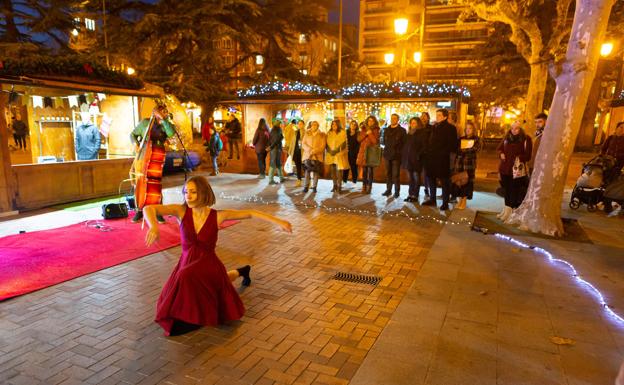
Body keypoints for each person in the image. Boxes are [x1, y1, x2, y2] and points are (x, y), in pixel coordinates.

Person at [143, 176, 292, 336]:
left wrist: (280, 221)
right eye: (186, 192)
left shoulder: (217, 216)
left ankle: (191, 318)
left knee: (188, 276)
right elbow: (149, 209)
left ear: (203, 192)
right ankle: (242, 271)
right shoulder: (181, 211)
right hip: (187, 261)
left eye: (193, 192)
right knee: (219, 283)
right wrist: (154, 226)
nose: (188, 196)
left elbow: (250, 213)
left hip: (207, 263)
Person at [130, 104, 176, 224]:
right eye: (162, 111)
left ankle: (158, 211)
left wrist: (163, 119)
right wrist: (136, 144)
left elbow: (171, 133)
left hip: (157, 156)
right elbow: (132, 135)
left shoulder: (166, 124)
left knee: (155, 184)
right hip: (143, 156)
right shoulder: (145, 122)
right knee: (140, 183)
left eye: (165, 112)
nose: (165, 113)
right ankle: (139, 210)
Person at [422, 109, 459, 211]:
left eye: (439, 115)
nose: (437, 117)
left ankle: (445, 203)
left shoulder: (450, 128)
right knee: (431, 179)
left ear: (445, 117)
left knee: (444, 181)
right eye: (436, 115)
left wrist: (442, 152)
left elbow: (453, 145)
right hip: (431, 158)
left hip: (442, 159)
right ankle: (432, 199)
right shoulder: (434, 127)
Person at [497, 121, 533, 221]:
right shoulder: (507, 137)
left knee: (514, 191)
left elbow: (528, 155)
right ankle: (506, 210)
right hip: (505, 169)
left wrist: (519, 158)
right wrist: (501, 154)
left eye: (516, 128)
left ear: (521, 129)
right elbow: (499, 149)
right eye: (512, 128)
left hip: (516, 171)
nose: (514, 130)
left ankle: (512, 213)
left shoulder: (526, 139)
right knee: (506, 190)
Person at [454, 121, 481, 209]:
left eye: (470, 128)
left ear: (473, 130)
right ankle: (460, 200)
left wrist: (463, 150)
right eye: (467, 128)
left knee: (467, 182)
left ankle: (464, 201)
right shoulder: (461, 139)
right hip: (459, 163)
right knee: (459, 182)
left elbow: (474, 150)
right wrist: (464, 149)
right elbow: (457, 150)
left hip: (469, 165)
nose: (468, 130)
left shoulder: (476, 139)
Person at [401, 117, 427, 203]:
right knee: (410, 178)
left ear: (418, 124)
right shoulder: (409, 133)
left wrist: (418, 155)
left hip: (416, 160)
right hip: (408, 159)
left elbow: (424, 147)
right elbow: (406, 146)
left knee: (416, 178)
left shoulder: (422, 133)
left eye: (414, 123)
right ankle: (410, 194)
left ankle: (415, 195)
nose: (412, 124)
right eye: (411, 123)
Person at [601, 121, 624, 213]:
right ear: (616, 128)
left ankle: (610, 201)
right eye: (621, 127)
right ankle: (607, 203)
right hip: (608, 164)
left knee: (615, 184)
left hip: (619, 165)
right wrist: (603, 159)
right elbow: (603, 149)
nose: (622, 129)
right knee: (606, 183)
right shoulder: (610, 138)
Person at [382, 113, 406, 198]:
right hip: (387, 154)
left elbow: (404, 144)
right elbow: (384, 142)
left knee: (395, 175)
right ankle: (388, 190)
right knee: (388, 174)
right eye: (392, 118)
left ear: (398, 119)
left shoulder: (402, 131)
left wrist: (399, 152)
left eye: (395, 118)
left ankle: (397, 191)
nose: (393, 120)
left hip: (396, 155)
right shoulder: (386, 130)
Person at [357, 116, 381, 194]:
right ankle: (364, 186)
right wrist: (365, 134)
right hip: (363, 152)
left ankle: (369, 186)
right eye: (369, 121)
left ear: (374, 122)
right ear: (367, 121)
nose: (370, 122)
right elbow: (359, 139)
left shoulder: (376, 130)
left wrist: (370, 133)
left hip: (371, 153)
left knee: (370, 171)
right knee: (364, 171)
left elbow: (375, 141)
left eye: (372, 121)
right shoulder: (363, 129)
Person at [302, 121, 326, 193]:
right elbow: (303, 143)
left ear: (318, 126)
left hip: (317, 156)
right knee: (307, 171)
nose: (314, 126)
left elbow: (323, 146)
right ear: (311, 126)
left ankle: (314, 186)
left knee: (316, 172)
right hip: (308, 156)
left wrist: (314, 151)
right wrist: (309, 150)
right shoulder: (307, 133)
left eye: (315, 125)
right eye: (312, 125)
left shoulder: (322, 134)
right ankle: (306, 186)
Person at [325, 119, 349, 193]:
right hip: (331, 154)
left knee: (339, 171)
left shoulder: (342, 132)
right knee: (332, 171)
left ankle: (339, 186)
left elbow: (344, 143)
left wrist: (336, 150)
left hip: (339, 154)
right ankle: (334, 185)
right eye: (332, 124)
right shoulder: (329, 132)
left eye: (335, 124)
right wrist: (330, 150)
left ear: (338, 125)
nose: (333, 126)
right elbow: (326, 142)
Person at [284, 120, 304, 187]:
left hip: (302, 152)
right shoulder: (295, 132)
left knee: (304, 167)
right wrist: (290, 150)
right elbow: (292, 142)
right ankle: (299, 180)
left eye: (301, 124)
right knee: (298, 166)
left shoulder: (305, 132)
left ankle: (308, 181)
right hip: (295, 152)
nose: (300, 125)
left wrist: (300, 145)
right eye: (299, 124)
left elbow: (302, 142)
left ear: (303, 125)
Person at [420, 112, 433, 201]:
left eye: (425, 117)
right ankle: (416, 191)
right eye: (422, 117)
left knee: (427, 174)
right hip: (418, 154)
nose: (423, 118)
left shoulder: (431, 128)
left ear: (428, 118)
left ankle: (427, 190)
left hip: (427, 154)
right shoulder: (418, 128)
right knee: (417, 173)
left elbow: (431, 141)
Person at [343, 120, 360, 185]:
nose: (353, 125)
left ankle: (354, 181)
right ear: (350, 125)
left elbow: (358, 144)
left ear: (356, 126)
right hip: (346, 152)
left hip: (354, 153)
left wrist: (356, 152)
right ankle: (344, 181)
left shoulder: (358, 133)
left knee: (354, 167)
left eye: (355, 124)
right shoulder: (346, 132)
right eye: (352, 124)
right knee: (346, 167)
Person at [267, 120, 285, 185]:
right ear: (277, 124)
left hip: (275, 149)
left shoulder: (274, 130)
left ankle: (281, 178)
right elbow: (276, 140)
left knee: (278, 163)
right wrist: (271, 147)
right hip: (275, 149)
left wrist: (270, 146)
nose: (281, 125)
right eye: (280, 124)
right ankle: (271, 180)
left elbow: (272, 140)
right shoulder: (276, 130)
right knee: (273, 163)